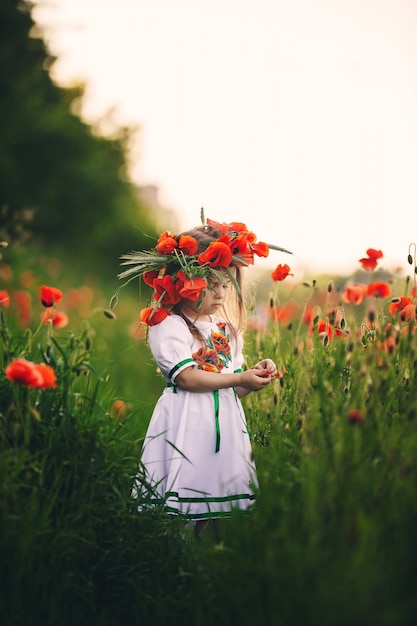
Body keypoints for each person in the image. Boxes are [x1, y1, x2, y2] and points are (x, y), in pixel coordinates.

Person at [118, 216, 281, 539]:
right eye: (211, 286)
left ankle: (213, 559)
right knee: (185, 495)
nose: (220, 294)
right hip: (187, 424)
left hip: (224, 428)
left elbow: (233, 389)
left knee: (219, 501)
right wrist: (237, 380)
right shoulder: (168, 324)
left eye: (226, 285)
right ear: (184, 282)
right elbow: (188, 379)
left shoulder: (225, 331)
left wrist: (252, 377)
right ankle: (174, 559)